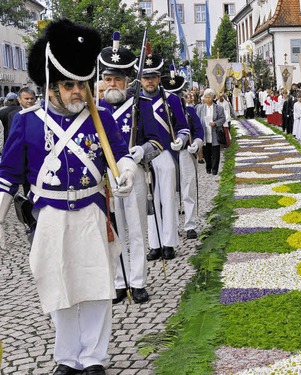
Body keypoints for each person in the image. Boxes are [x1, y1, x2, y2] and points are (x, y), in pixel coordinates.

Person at [0, 20, 137, 375]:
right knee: (58, 285)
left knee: (96, 285)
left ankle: (94, 357)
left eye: (82, 84)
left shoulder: (100, 116)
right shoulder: (26, 121)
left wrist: (128, 173)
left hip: (91, 209)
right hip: (50, 215)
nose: (78, 91)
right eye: (68, 84)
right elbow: (7, 175)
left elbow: (120, 155)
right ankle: (67, 357)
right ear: (51, 85)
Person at [99, 34, 163, 305]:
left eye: (118, 79)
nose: (112, 84)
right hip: (104, 179)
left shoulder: (142, 105)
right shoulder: (94, 109)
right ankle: (117, 281)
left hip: (134, 175)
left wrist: (142, 151)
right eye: (108, 79)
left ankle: (137, 281)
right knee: (111, 233)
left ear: (127, 81)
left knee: (136, 230)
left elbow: (158, 142)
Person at [138, 48, 191, 262]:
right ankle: (154, 244)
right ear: (140, 79)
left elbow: (184, 128)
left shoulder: (172, 100)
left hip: (167, 154)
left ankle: (169, 243)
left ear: (159, 78)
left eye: (153, 77)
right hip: (144, 157)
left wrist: (180, 140)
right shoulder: (136, 102)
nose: (149, 81)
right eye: (145, 77)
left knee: (167, 199)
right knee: (150, 202)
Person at [161, 70, 203, 241]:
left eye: (178, 94)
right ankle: (171, 227)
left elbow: (199, 131)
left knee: (188, 189)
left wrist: (196, 144)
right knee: (168, 191)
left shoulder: (189, 112)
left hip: (185, 152)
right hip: (167, 153)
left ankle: (190, 225)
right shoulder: (160, 111)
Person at [196, 89, 226, 175]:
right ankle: (208, 167)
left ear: (213, 98)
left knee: (216, 153)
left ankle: (214, 169)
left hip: (214, 132)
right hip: (205, 133)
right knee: (207, 152)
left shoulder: (218, 108)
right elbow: (197, 119)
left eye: (209, 97)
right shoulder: (200, 108)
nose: (208, 99)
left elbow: (223, 118)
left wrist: (215, 123)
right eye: (206, 97)